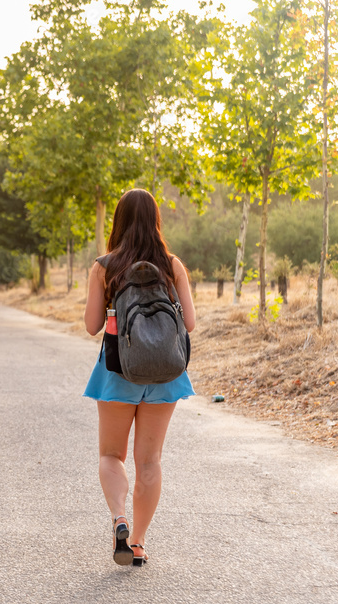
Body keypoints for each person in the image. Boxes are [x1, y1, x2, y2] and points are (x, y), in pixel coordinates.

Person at [82, 188, 196, 567]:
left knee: (110, 455)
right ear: (155, 220)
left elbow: (91, 325)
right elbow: (190, 324)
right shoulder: (172, 264)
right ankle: (139, 543)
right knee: (149, 461)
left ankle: (119, 519)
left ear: (118, 221)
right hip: (165, 373)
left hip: (118, 371)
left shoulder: (105, 266)